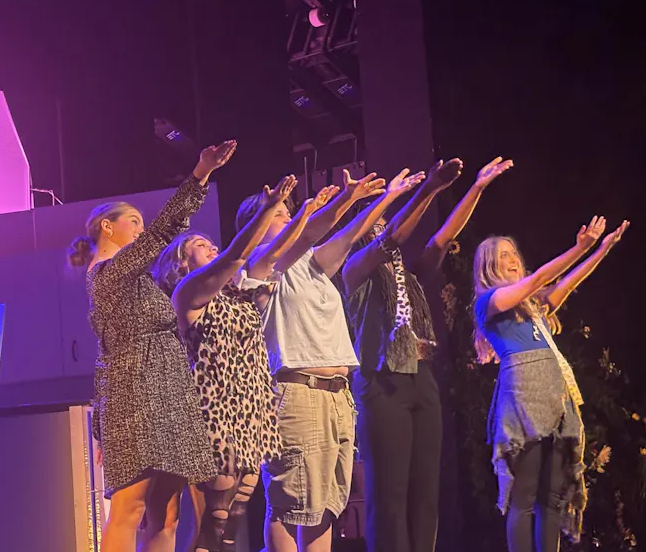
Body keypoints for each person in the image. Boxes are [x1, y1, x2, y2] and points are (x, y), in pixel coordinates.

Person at [237, 168, 425, 552]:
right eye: (278, 213)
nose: (289, 216)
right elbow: (307, 231)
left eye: (289, 211)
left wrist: (383, 198)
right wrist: (345, 199)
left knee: (324, 507)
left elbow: (348, 234)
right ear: (255, 226)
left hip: (337, 393)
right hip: (296, 391)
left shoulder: (314, 266)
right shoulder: (259, 265)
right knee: (291, 505)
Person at [66, 140, 237, 552]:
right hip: (136, 390)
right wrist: (200, 175)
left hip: (167, 387)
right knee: (131, 505)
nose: (141, 230)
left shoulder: (136, 279)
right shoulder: (108, 271)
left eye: (142, 223)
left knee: (167, 510)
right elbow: (164, 232)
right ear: (108, 227)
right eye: (134, 222)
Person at [153, 177, 339, 552]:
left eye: (211, 244)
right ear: (182, 262)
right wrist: (269, 209)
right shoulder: (188, 294)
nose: (212, 247)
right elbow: (236, 257)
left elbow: (276, 255)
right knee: (215, 521)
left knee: (236, 520)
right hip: (217, 413)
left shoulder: (240, 293)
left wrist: (306, 212)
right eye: (201, 246)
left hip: (252, 409)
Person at [341, 156, 514, 552]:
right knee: (389, 500)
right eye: (377, 226)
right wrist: (428, 188)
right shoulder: (353, 268)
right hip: (381, 383)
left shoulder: (410, 274)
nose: (385, 231)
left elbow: (441, 238)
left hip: (422, 378)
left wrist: (476, 188)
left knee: (425, 498)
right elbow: (388, 242)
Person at [472, 216, 630, 552]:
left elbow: (566, 284)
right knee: (525, 497)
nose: (513, 259)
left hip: (556, 397)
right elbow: (541, 278)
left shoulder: (533, 310)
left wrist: (600, 250)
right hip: (525, 397)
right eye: (503, 256)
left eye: (514, 253)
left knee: (552, 497)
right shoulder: (488, 303)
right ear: (487, 267)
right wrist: (579, 247)